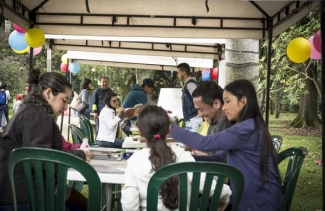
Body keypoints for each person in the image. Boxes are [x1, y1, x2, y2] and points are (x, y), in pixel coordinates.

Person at [169, 79, 283, 211]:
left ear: (243, 101)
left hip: (259, 203)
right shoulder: (250, 125)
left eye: (228, 101)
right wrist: (185, 158)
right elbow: (219, 159)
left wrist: (169, 127)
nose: (224, 107)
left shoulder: (246, 128)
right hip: (251, 198)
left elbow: (204, 143)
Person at [0, 69, 91, 211]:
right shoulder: (37, 116)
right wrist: (80, 155)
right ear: (48, 94)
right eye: (64, 100)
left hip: (18, 194)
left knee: (80, 202)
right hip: (24, 199)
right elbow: (41, 159)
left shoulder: (31, 110)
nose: (66, 106)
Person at [121, 105, 232, 211]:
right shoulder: (183, 155)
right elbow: (205, 183)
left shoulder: (135, 161)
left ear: (140, 132)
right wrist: (225, 196)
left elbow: (129, 204)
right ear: (169, 129)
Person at [191, 81, 227, 156]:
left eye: (201, 110)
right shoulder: (213, 121)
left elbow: (225, 162)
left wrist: (205, 157)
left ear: (217, 104)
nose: (199, 114)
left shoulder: (229, 124)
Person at [176, 63, 202, 132]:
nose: (177, 75)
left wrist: (200, 111)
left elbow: (198, 98)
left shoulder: (190, 84)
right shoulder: (188, 84)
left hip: (194, 118)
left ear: (183, 73)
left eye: (178, 73)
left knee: (191, 139)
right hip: (192, 118)